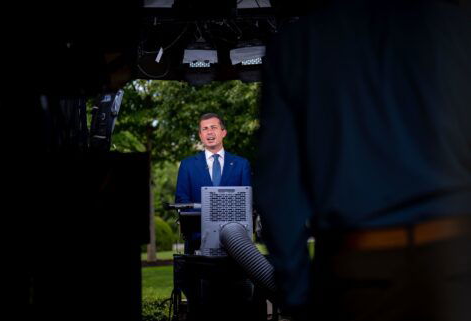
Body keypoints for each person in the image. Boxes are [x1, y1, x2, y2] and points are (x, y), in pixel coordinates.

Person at [254, 1, 471, 321]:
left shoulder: (297, 45)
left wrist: (300, 294)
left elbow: (277, 189)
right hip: (458, 262)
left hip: (357, 274)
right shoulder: (460, 24)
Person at [175, 113, 252, 252]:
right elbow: (182, 201)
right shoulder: (187, 165)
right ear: (200, 135)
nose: (209, 132)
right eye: (204, 129)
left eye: (213, 127)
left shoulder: (242, 165)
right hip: (197, 242)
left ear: (223, 132)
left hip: (235, 243)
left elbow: (247, 203)